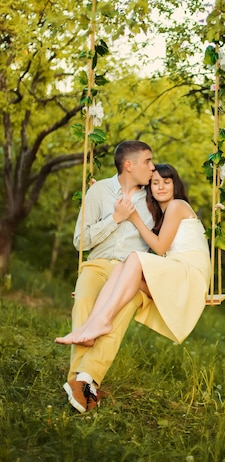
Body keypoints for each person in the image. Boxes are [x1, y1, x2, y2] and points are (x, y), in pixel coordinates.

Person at [56, 163, 211, 399]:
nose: (160, 187)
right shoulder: (162, 213)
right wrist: (104, 192)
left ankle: (99, 323)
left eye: (166, 182)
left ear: (175, 184)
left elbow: (159, 248)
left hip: (188, 273)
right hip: (174, 271)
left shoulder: (178, 206)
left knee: (134, 258)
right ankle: (89, 348)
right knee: (120, 272)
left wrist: (134, 217)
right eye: (155, 182)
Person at [59, 140, 156, 414]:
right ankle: (83, 381)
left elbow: (164, 240)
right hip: (98, 265)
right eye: (147, 161)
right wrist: (114, 218)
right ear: (129, 165)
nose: (152, 166)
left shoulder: (154, 197)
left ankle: (82, 378)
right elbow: (80, 241)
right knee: (85, 304)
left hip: (130, 273)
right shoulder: (99, 191)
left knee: (122, 309)